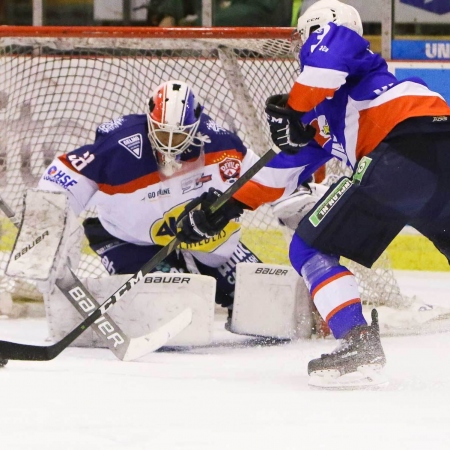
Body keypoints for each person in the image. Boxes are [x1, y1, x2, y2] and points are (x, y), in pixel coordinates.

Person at [176, 0, 450, 387]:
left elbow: (327, 56)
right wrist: (222, 209)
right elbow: (278, 174)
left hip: (402, 149)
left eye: (307, 37)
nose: (303, 47)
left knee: (308, 247)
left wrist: (292, 108)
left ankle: (356, 343)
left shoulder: (347, 48)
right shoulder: (334, 109)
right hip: (436, 154)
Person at [37, 79, 268, 311]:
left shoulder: (222, 144)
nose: (168, 143)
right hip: (131, 239)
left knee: (263, 304)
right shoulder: (120, 146)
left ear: (195, 126)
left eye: (177, 135)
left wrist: (293, 200)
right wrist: (49, 238)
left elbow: (268, 178)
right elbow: (61, 178)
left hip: (204, 240)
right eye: (161, 132)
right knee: (171, 311)